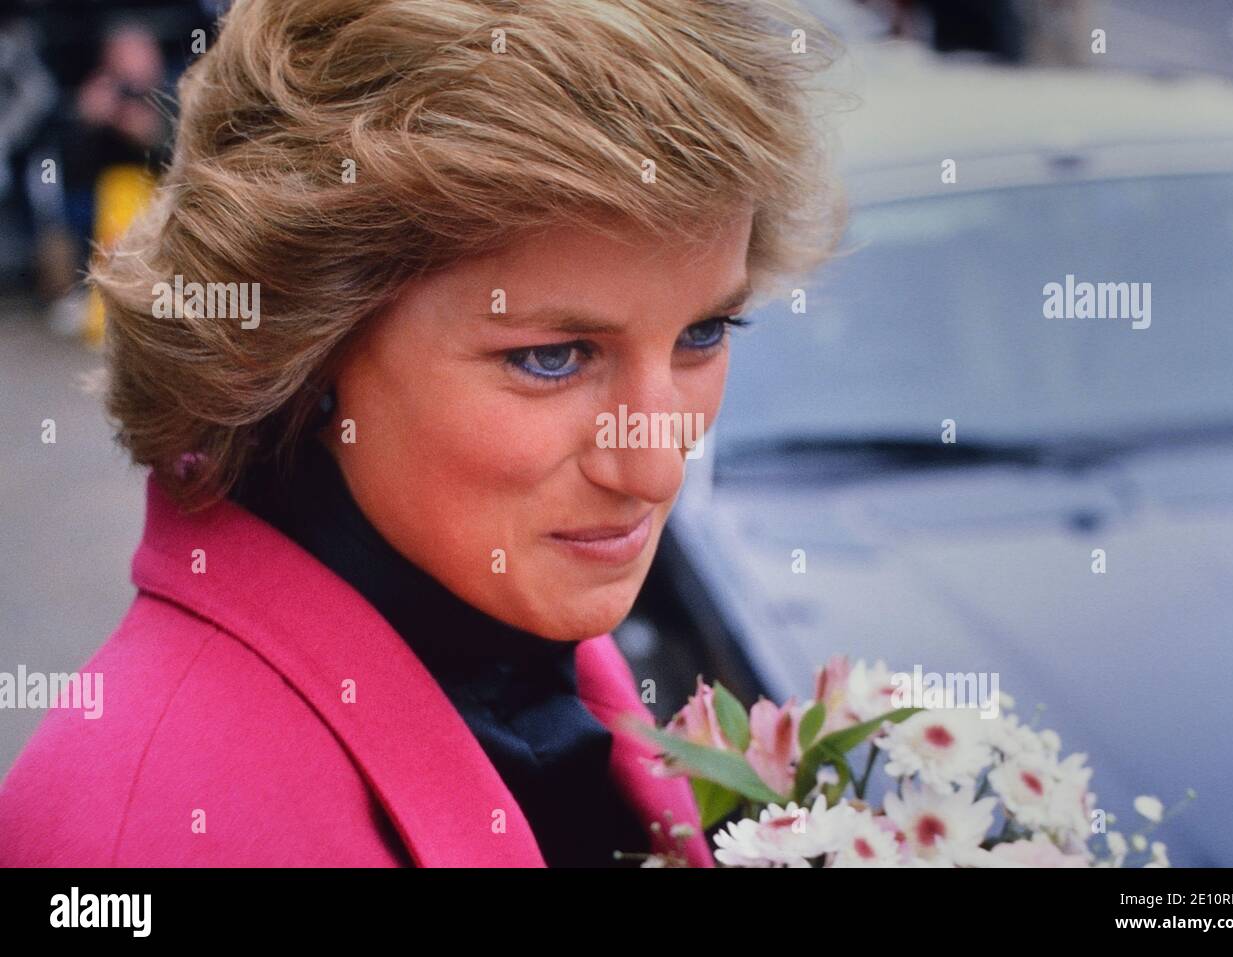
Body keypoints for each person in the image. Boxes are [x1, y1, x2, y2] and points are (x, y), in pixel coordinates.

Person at [0, 0, 845, 867]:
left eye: (704, 333)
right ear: (303, 345)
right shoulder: (144, 836)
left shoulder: (506, 624)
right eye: (553, 357)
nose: (660, 465)